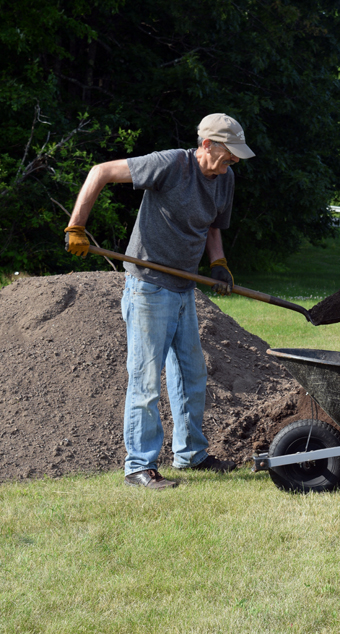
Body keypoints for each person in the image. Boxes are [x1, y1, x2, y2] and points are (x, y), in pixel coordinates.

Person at [64, 113, 256, 490]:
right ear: (207, 146)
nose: (232, 162)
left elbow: (213, 224)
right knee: (146, 380)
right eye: (228, 154)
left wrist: (218, 263)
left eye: (235, 157)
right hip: (149, 287)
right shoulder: (170, 164)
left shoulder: (225, 178)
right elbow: (99, 172)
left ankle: (191, 455)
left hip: (185, 287)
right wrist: (76, 226)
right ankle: (139, 467)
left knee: (191, 373)